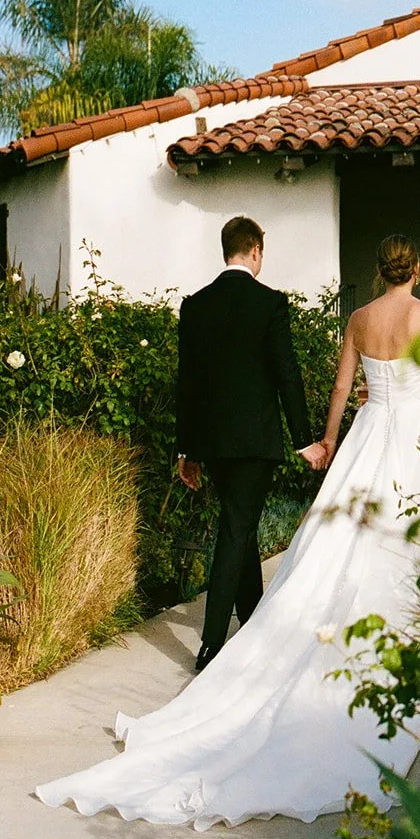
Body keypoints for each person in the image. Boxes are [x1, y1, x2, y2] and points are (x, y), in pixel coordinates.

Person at [35, 234, 420, 828]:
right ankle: (408, 631)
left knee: (320, 544)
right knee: (404, 538)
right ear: (416, 269)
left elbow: (339, 388)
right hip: (411, 437)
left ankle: (236, 634)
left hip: (365, 431)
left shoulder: (359, 318)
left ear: (380, 269)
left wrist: (330, 441)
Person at [174, 215, 326, 672]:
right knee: (237, 528)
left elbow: (188, 384)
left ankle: (254, 622)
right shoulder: (271, 304)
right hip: (257, 443)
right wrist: (305, 440)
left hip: (215, 444)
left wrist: (186, 449)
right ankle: (212, 642)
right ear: (256, 250)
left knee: (242, 525)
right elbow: (287, 375)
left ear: (227, 251)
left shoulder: (195, 306)